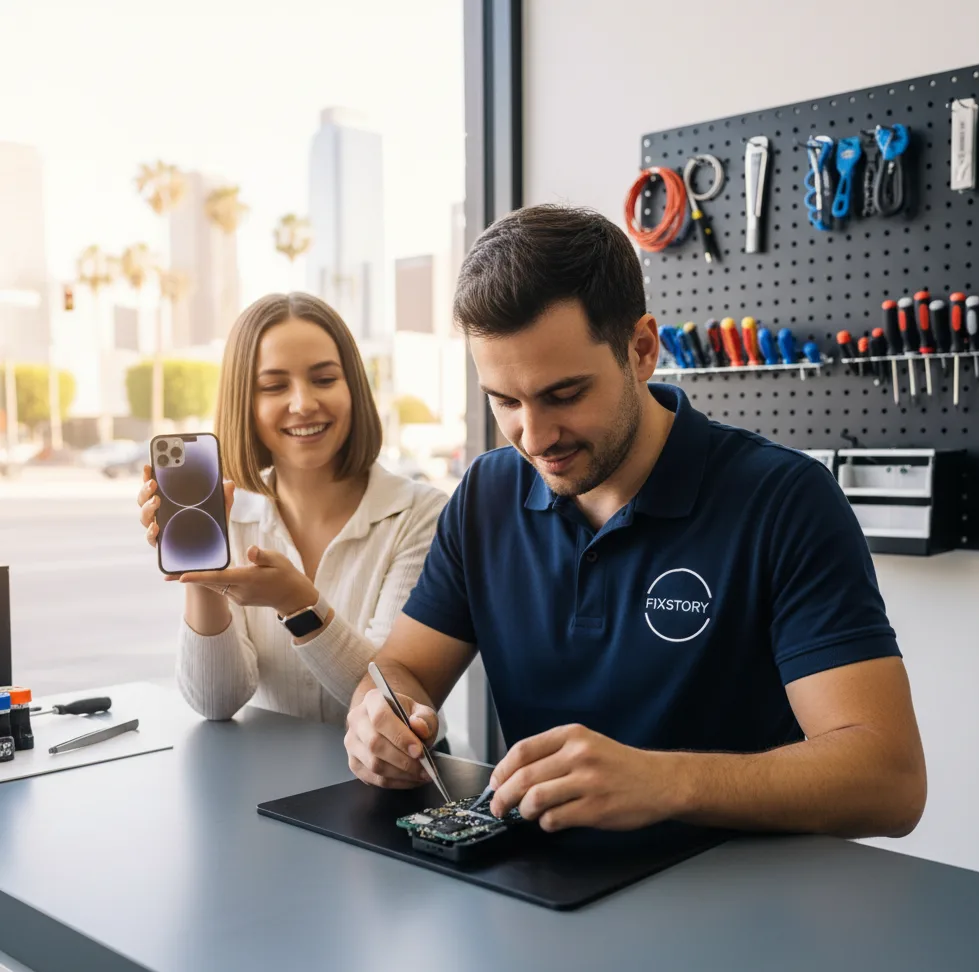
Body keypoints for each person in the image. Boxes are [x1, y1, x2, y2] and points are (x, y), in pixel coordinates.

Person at [343, 205, 928, 838]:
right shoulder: (485, 493)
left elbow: (888, 781)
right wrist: (381, 716)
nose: (534, 437)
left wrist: (665, 782)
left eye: (565, 394)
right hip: (539, 894)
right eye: (505, 401)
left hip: (738, 907)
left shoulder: (785, 500)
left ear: (642, 349)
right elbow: (399, 671)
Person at [137, 293, 448, 729]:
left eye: (324, 379)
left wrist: (297, 603)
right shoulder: (231, 517)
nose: (303, 403)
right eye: (274, 386)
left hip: (392, 785)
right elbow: (217, 701)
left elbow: (393, 704)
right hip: (268, 786)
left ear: (352, 388)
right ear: (245, 402)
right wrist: (201, 571)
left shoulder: (420, 515)